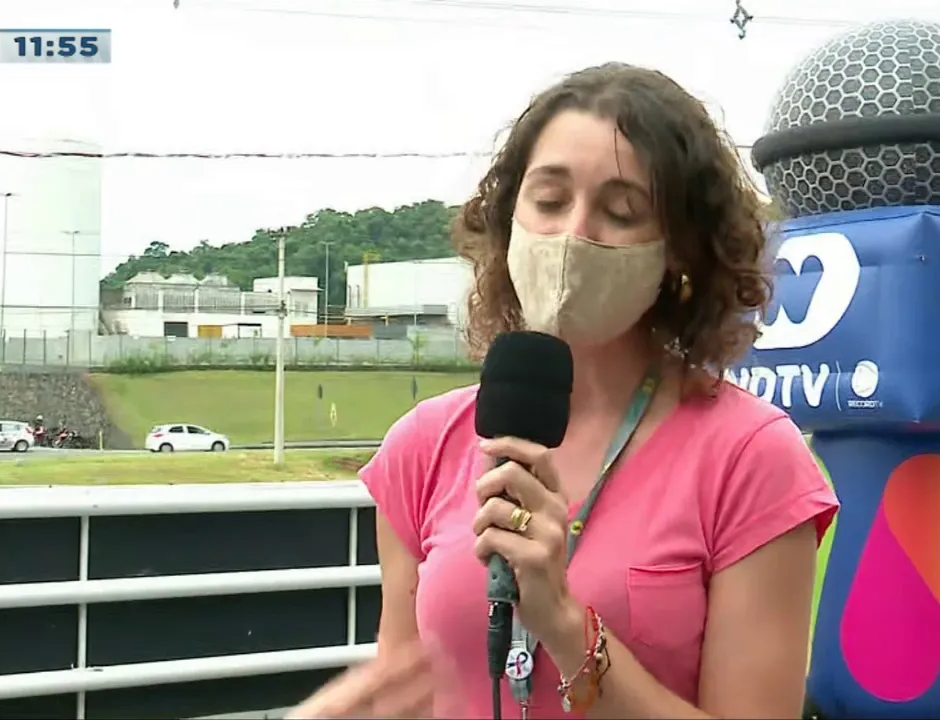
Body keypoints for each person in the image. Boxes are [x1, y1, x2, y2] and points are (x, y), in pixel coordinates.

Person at [289, 62, 839, 720]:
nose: (575, 235)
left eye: (621, 211)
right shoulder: (423, 447)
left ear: (681, 251)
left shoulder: (752, 458)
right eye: (549, 201)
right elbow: (401, 694)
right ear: (507, 219)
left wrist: (567, 626)